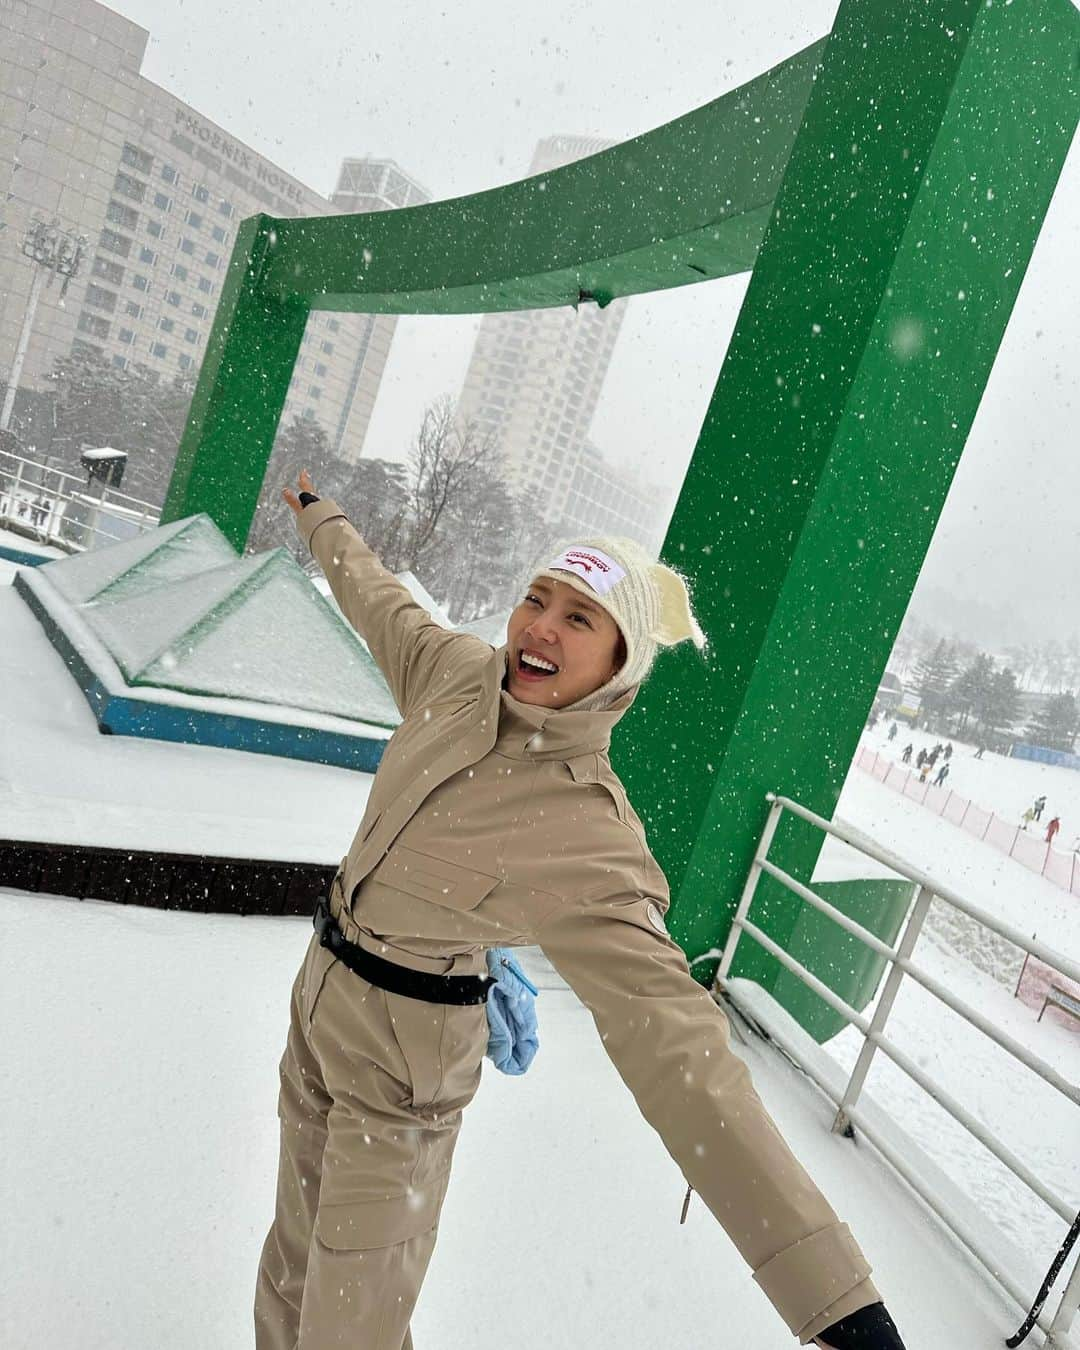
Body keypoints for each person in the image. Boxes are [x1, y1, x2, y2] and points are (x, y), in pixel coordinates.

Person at [256, 470, 908, 1350]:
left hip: (402, 1078)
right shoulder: (452, 676)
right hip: (319, 1009)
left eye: (578, 617)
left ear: (617, 666)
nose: (540, 626)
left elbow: (684, 1057)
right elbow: (377, 597)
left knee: (350, 1321)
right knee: (291, 1267)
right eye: (537, 598)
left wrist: (838, 1304)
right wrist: (322, 519)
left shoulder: (589, 832)